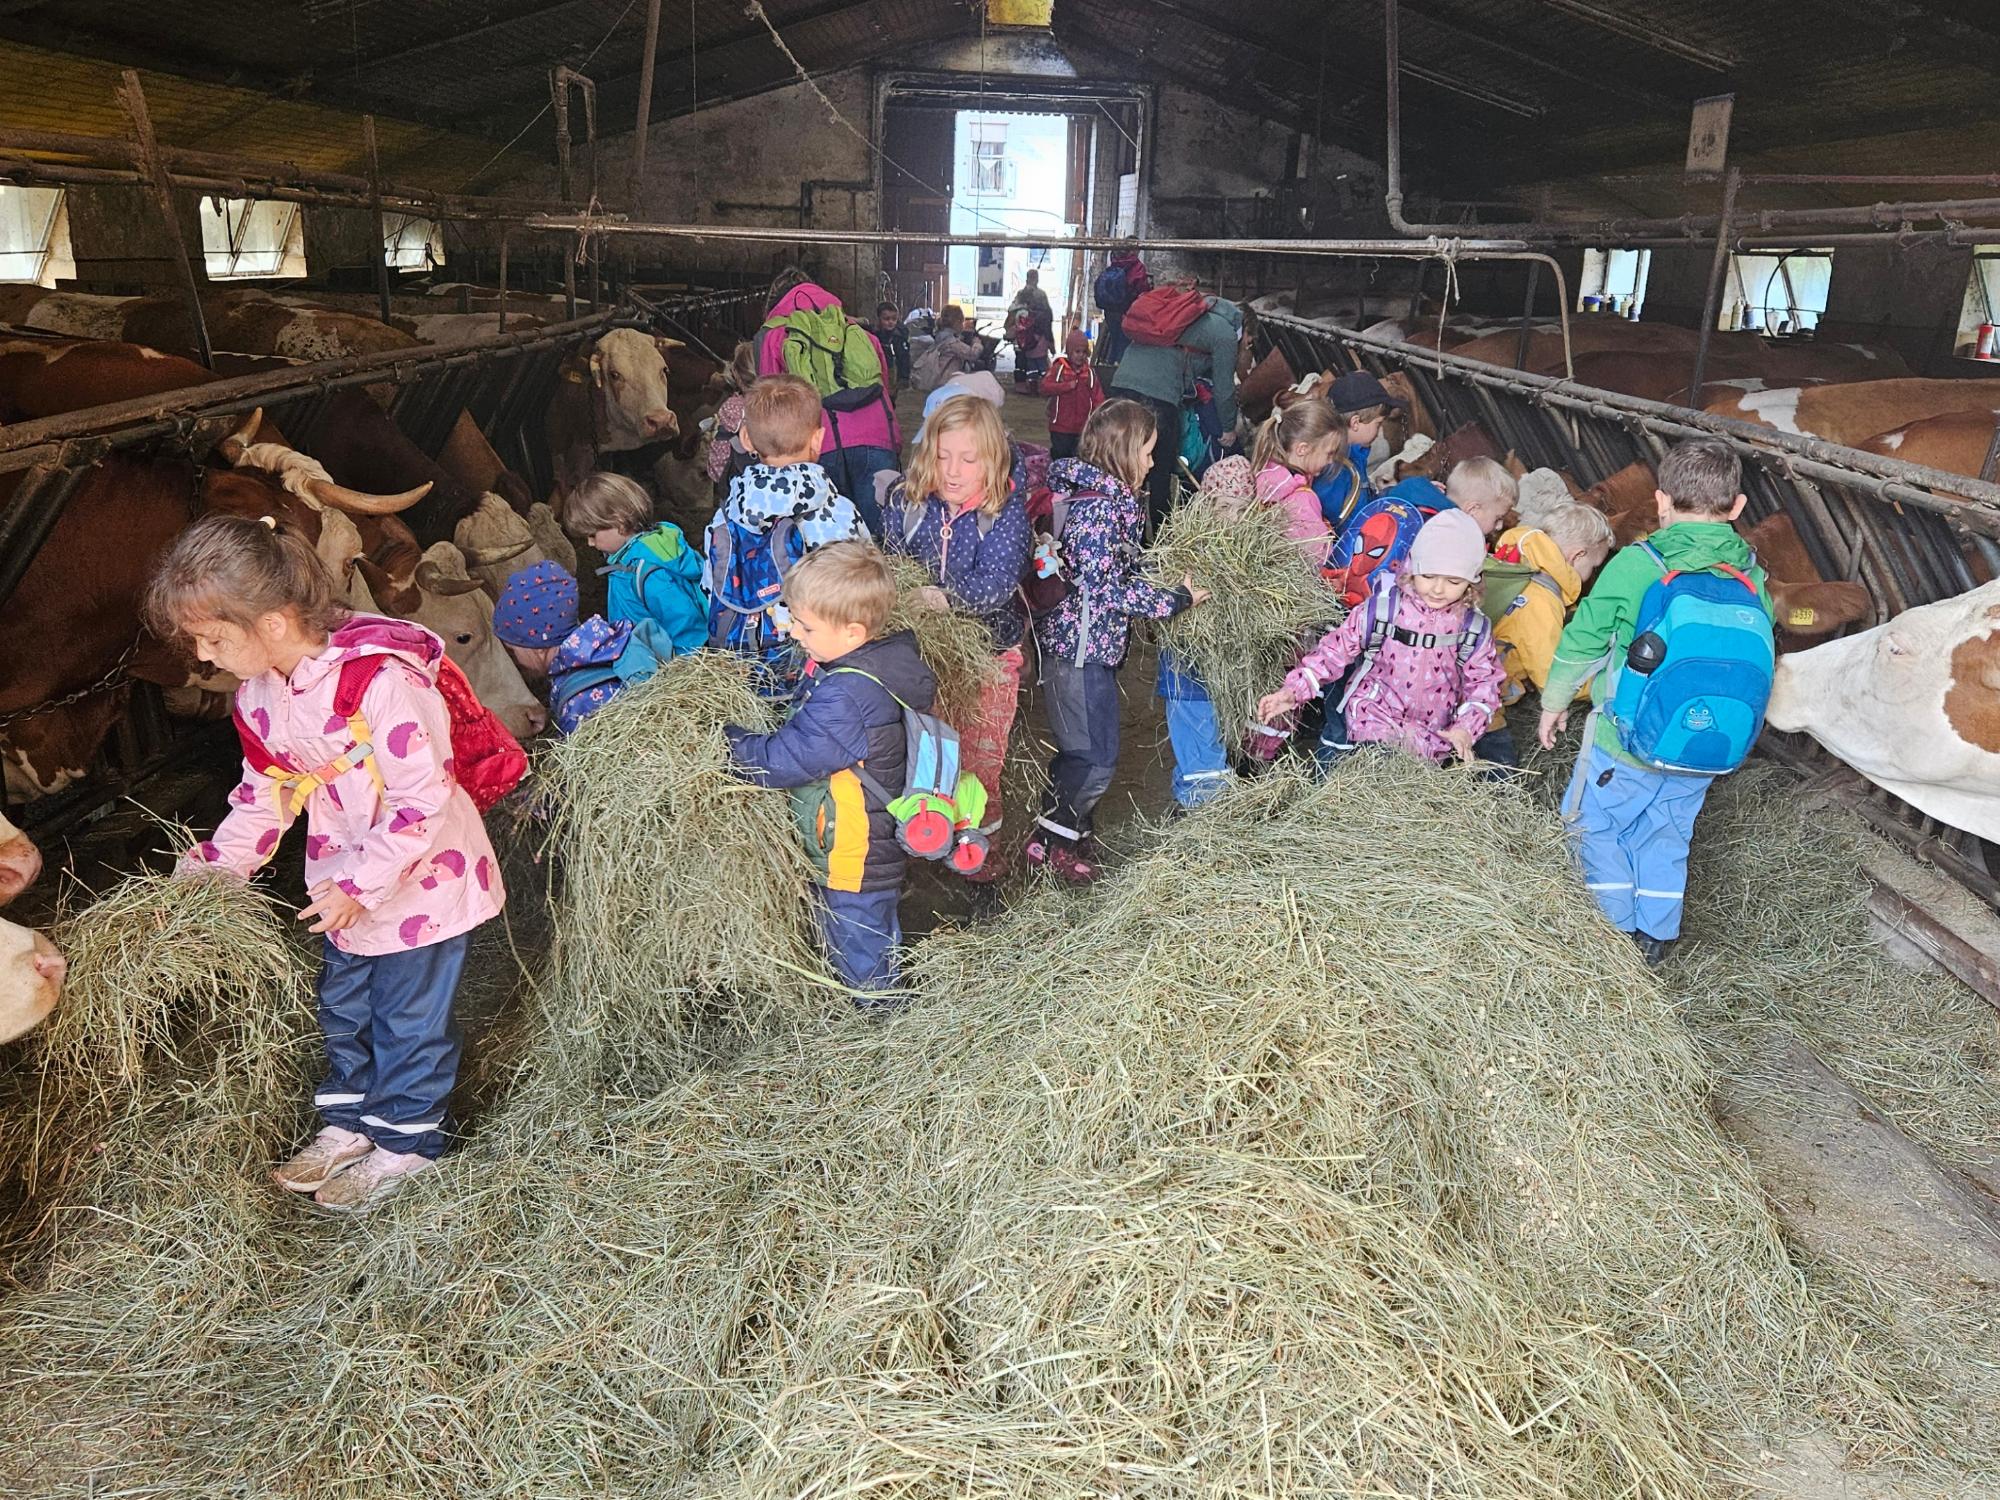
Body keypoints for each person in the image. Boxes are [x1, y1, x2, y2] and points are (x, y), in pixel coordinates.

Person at [145, 513, 504, 1213]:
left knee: (407, 1017)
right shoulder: (259, 698)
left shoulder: (380, 683)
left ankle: (406, 1142)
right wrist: (210, 876)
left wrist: (357, 884)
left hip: (424, 884)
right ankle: (350, 1123)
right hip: (341, 885)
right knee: (344, 1007)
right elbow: (265, 797)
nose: (205, 657)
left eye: (214, 638)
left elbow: (422, 799)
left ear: (274, 622)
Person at [1538, 439, 1773, 965]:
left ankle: (1614, 932)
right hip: (1705, 744)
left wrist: (1554, 701)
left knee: (1595, 825)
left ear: (1662, 502)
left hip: (1625, 742)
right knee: (1667, 833)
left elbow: (1584, 639)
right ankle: (1658, 934)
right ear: (1736, 509)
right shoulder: (1753, 576)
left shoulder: (1636, 565)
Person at [723, 542, 937, 999]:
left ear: (852, 632)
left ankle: (880, 1019)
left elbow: (784, 760)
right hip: (868, 845)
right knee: (870, 931)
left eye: (806, 625)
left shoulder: (846, 697)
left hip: (852, 853)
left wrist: (733, 745)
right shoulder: (872, 665)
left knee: (858, 944)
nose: (795, 632)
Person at [1030, 399, 1210, 883]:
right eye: (1148, 452)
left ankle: (1066, 828)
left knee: (1084, 749)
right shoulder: (1102, 509)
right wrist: (1173, 599)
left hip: (1087, 647)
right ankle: (1052, 841)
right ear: (1125, 452)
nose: (1153, 462)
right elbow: (1103, 584)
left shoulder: (1097, 497)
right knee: (1095, 758)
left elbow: (1114, 569)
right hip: (1079, 650)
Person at [880, 394, 1032, 911]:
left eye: (968, 460)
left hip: (987, 654)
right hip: (921, 655)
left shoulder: (1005, 511)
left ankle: (979, 864)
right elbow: (891, 562)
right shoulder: (907, 502)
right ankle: (914, 848)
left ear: (992, 460)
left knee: (979, 762)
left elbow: (998, 583)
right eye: (942, 456)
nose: (952, 471)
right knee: (923, 758)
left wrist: (946, 598)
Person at [1256, 508, 1503, 771]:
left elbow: (1484, 686)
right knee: (1376, 770)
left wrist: (1466, 728)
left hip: (1432, 732)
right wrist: (1294, 691)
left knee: (1408, 790)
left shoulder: (1473, 629)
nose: (1438, 589)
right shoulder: (1385, 609)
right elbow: (1335, 649)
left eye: (1453, 581)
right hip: (1374, 712)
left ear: (1471, 581)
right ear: (1413, 567)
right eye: (1428, 576)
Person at [704, 374, 867, 690]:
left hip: (741, 669)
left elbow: (711, 586)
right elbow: (860, 585)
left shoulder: (724, 516)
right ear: (818, 439)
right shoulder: (838, 511)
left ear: (747, 439)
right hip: (815, 666)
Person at [1474, 501, 1616, 768]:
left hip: (1461, 678)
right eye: (1593, 567)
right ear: (1577, 556)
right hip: (1477, 701)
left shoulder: (1513, 560)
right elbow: (1552, 679)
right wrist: (1600, 683)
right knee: (1500, 770)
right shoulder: (1539, 600)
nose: (1590, 576)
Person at [757, 271, 902, 531]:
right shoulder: (857, 331)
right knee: (881, 537)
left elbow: (770, 406)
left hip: (816, 446)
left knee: (825, 541)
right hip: (876, 438)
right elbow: (884, 386)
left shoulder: (776, 338)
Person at [1109, 293, 1244, 536]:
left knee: (1122, 465)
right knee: (1159, 472)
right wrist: (1228, 427)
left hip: (1121, 384)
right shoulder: (1225, 333)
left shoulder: (1183, 315)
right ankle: (1161, 545)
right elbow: (1225, 388)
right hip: (1158, 397)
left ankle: (1118, 533)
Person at [493, 560, 669, 735]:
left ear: (538, 646)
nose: (512, 660)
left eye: (512, 650)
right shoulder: (614, 641)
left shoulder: (579, 707)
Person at [563, 471, 708, 656]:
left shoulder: (649, 571)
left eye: (592, 535)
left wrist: (689, 665)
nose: (590, 544)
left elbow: (684, 620)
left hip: (672, 666)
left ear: (620, 522)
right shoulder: (627, 562)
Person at [1312, 370, 1408, 530]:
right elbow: (1346, 524)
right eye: (1378, 424)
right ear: (1355, 423)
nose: (1378, 432)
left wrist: (1393, 494)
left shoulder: (1352, 456)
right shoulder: (1333, 469)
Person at [1378, 455, 1517, 537]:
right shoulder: (1451, 533)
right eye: (1498, 518)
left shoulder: (1418, 498)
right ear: (1473, 510)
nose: (1499, 526)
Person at [704, 341, 759, 494]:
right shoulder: (786, 405)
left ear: (736, 375)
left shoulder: (733, 408)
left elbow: (718, 468)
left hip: (740, 495)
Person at [1041, 329, 1104, 460]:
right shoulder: (1059, 369)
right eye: (1077, 351)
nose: (1081, 356)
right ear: (1069, 352)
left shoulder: (1090, 374)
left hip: (1083, 428)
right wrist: (1066, 386)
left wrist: (1100, 415)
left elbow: (1097, 397)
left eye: (1084, 352)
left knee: (1079, 458)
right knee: (1060, 455)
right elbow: (1044, 387)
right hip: (1060, 427)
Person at [1093, 247, 1150, 365]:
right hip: (1127, 310)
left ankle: (1111, 364)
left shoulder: (1115, 263)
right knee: (1125, 341)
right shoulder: (1137, 267)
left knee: (1114, 339)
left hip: (1110, 310)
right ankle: (1121, 367)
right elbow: (1141, 289)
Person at [911, 304, 984, 395]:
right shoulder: (951, 343)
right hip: (945, 383)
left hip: (938, 381)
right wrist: (977, 343)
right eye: (962, 322)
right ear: (957, 322)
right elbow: (972, 354)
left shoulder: (940, 336)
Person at [1006, 269, 1056, 391]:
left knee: (1022, 363)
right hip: (1038, 339)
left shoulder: (1020, 295)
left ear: (1027, 279)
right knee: (1041, 365)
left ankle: (1022, 385)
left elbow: (1011, 314)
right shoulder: (1041, 295)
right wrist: (1050, 342)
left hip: (1021, 338)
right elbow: (1047, 319)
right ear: (1037, 279)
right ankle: (1043, 386)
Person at [874, 302, 911, 393]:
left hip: (895, 370)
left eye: (894, 319)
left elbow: (904, 358)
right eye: (886, 319)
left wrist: (904, 377)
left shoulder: (900, 336)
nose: (890, 322)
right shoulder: (875, 334)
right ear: (879, 319)